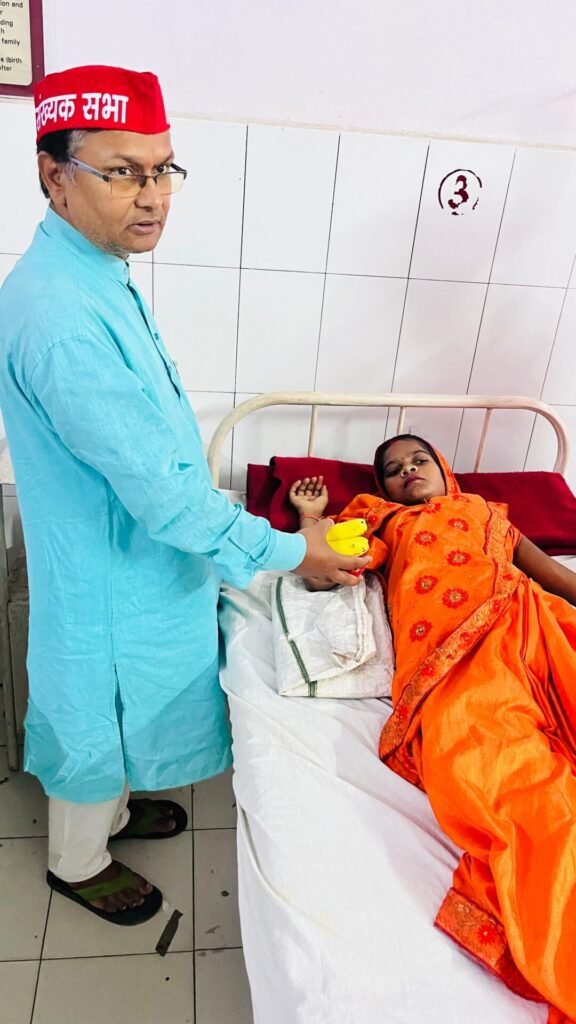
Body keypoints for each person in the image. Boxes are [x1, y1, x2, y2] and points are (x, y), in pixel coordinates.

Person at [0, 64, 368, 926]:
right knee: (96, 712)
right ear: (55, 176)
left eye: (163, 168)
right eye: (122, 171)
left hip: (134, 558)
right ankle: (77, 863)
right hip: (109, 571)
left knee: (120, 708)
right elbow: (164, 497)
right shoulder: (61, 317)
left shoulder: (92, 273)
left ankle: (113, 815)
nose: (153, 195)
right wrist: (292, 551)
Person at [289, 435, 576, 1024]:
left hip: (533, 625)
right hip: (454, 664)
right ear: (383, 488)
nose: (408, 472)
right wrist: (312, 519)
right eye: (393, 470)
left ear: (444, 468)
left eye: (418, 460)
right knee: (524, 796)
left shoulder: (486, 513)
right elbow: (321, 577)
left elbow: (553, 576)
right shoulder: (381, 521)